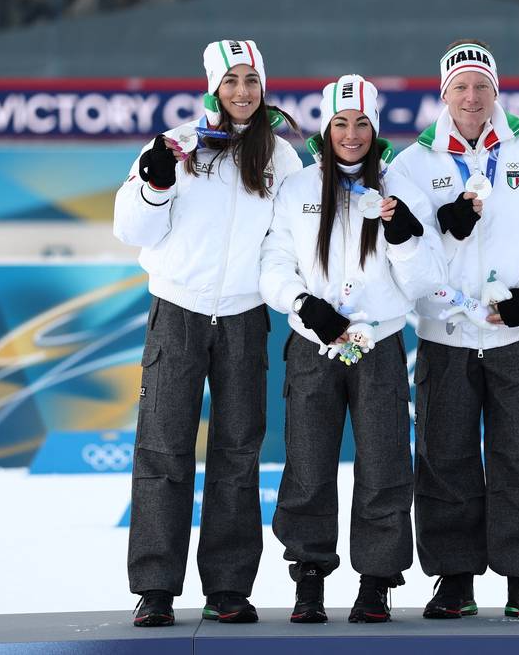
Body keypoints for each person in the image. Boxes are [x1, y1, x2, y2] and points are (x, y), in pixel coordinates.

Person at [114, 39, 303, 627]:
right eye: (231, 82)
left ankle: (227, 586)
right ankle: (156, 586)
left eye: (251, 81)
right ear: (213, 88)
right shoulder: (176, 144)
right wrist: (154, 186)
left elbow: (284, 243)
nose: (242, 92)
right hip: (179, 309)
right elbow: (130, 228)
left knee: (239, 452)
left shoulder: (283, 158)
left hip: (246, 317)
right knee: (164, 447)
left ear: (263, 86)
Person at [391, 40, 519, 620]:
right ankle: (454, 578)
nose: (472, 97)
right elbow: (405, 253)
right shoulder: (413, 163)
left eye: (481, 85)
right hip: (446, 338)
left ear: (498, 90)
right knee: (445, 457)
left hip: (516, 336)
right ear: (443, 94)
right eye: (460, 87)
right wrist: (444, 230)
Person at [259, 74, 447, 624]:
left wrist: (405, 237)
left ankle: (376, 580)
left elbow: (421, 280)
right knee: (308, 464)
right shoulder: (296, 189)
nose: (351, 134)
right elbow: (273, 264)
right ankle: (310, 577)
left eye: (362, 123)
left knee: (386, 464)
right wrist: (302, 305)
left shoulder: (398, 186)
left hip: (380, 345)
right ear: (325, 127)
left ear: (375, 127)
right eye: (340, 122)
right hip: (315, 346)